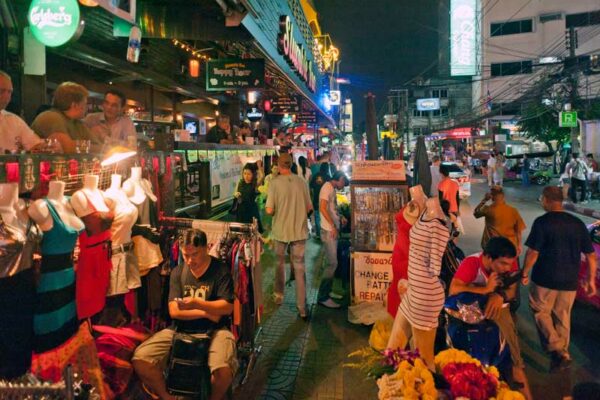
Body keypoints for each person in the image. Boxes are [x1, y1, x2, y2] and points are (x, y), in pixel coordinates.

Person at [132, 229, 237, 400]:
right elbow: (174, 311)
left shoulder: (220, 270)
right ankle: (167, 397)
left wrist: (196, 304)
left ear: (205, 248)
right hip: (179, 329)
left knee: (223, 370)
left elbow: (226, 308)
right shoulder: (178, 272)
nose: (189, 260)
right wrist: (208, 311)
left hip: (216, 330)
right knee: (141, 359)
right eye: (185, 255)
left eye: (194, 255)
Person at [522, 186, 597, 372]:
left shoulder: (542, 223)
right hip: (570, 282)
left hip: (544, 280)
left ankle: (557, 348)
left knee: (540, 311)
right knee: (562, 317)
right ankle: (563, 354)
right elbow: (591, 255)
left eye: (542, 199)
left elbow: (532, 252)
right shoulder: (577, 223)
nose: (541, 201)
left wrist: (524, 272)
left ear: (547, 199)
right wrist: (591, 279)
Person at [449, 237, 532, 399]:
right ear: (487, 257)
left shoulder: (510, 265)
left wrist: (499, 295)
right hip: (470, 314)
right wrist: (486, 290)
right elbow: (454, 289)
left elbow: (511, 292)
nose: (507, 268)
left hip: (499, 312)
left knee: (515, 362)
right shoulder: (471, 263)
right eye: (502, 263)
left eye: (510, 264)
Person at [395, 198, 450, 370]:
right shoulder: (425, 213)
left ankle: (425, 391)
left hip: (425, 294)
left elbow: (435, 266)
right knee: (394, 349)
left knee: (424, 360)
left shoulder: (438, 226)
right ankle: (395, 381)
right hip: (414, 288)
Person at [265, 153, 313, 319]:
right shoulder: (302, 182)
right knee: (299, 268)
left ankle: (279, 295)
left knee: (279, 263)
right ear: (291, 164)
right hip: (299, 231)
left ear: (279, 165)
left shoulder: (274, 183)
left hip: (280, 231)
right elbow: (309, 208)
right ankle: (302, 307)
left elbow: (269, 210)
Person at [31, 82, 101, 153]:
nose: (87, 108)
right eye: (85, 103)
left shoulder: (77, 123)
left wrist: (81, 146)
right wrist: (87, 146)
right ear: (75, 105)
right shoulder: (51, 117)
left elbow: (100, 147)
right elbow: (67, 148)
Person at [318, 171, 349, 309]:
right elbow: (322, 208)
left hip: (331, 229)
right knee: (332, 264)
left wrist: (340, 217)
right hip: (328, 231)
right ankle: (323, 297)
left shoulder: (330, 188)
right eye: (343, 183)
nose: (343, 186)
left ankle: (328, 292)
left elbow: (331, 209)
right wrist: (332, 226)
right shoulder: (326, 188)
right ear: (340, 179)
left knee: (332, 263)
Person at [473, 185, 526, 257]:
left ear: (491, 197)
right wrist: (519, 245)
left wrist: (484, 200)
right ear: (503, 196)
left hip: (492, 248)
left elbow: (476, 213)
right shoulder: (513, 211)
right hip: (510, 247)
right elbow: (518, 231)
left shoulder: (488, 209)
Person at [0, 70, 44, 153]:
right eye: (1, 91)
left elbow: (35, 145)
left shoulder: (13, 120)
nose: (6, 97)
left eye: (9, 92)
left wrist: (48, 147)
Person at [234, 163, 263, 233]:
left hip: (251, 211)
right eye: (244, 173)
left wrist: (259, 166)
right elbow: (235, 193)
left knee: (253, 232)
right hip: (241, 210)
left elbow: (262, 176)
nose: (246, 176)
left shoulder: (254, 184)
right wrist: (236, 194)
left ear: (253, 174)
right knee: (241, 231)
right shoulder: (240, 182)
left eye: (249, 174)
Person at [310, 163, 332, 239]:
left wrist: (313, 197)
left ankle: (319, 234)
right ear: (327, 169)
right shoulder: (328, 177)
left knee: (317, 216)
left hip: (316, 198)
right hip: (325, 200)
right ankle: (323, 234)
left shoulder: (315, 175)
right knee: (324, 215)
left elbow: (311, 188)